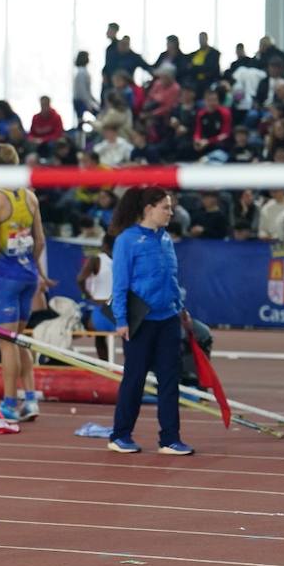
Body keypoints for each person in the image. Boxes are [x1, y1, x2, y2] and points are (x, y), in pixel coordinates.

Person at [107, 188, 194, 456]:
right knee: (134, 379)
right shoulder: (127, 241)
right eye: (165, 208)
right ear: (148, 210)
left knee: (170, 380)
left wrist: (180, 309)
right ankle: (120, 435)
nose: (170, 212)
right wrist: (122, 320)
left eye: (171, 207)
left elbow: (172, 278)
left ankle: (170, 438)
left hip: (168, 319)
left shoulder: (165, 238)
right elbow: (120, 284)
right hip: (140, 322)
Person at [0, 143, 50, 422]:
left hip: (6, 279)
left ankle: (8, 405)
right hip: (27, 276)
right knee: (19, 340)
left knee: (7, 343)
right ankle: (30, 400)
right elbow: (40, 241)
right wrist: (35, 269)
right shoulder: (30, 197)